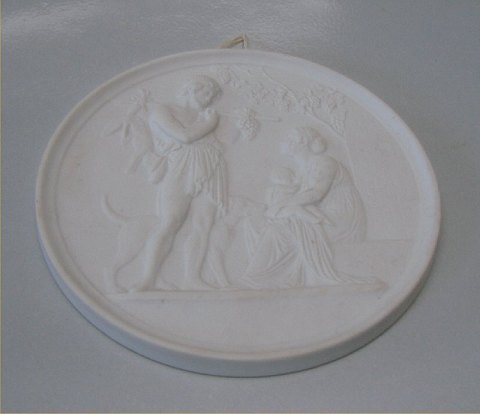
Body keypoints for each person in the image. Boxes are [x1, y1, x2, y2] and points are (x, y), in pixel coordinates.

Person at [132, 75, 227, 291]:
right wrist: (209, 124)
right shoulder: (164, 110)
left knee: (203, 226)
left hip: (211, 166)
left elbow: (224, 142)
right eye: (206, 93)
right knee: (170, 222)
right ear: (192, 89)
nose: (209, 99)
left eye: (213, 96)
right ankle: (148, 278)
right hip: (180, 168)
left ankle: (192, 278)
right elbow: (184, 136)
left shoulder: (204, 114)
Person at [240, 127, 366, 289]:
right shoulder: (302, 169)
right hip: (318, 212)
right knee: (256, 221)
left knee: (280, 227)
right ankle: (265, 276)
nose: (282, 142)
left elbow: (316, 194)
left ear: (301, 142)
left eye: (286, 139)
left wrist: (279, 206)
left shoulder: (324, 162)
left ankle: (256, 277)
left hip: (337, 216)